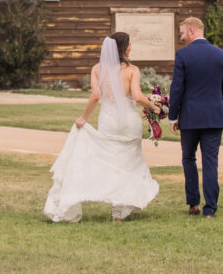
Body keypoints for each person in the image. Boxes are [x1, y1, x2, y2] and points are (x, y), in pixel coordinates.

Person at [44, 32, 162, 222]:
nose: (131, 46)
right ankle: (119, 210)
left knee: (113, 163)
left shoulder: (98, 69)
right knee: (130, 163)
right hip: (129, 122)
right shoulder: (132, 70)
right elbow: (138, 97)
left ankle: (117, 205)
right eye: (130, 44)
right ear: (125, 48)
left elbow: (96, 96)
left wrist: (83, 118)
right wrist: (156, 108)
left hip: (108, 121)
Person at [169, 16, 223, 219]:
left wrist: (172, 116)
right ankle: (210, 208)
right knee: (211, 162)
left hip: (189, 116)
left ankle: (194, 202)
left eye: (182, 32)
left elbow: (177, 88)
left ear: (192, 31)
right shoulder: (220, 54)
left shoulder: (183, 55)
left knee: (189, 158)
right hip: (213, 115)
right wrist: (215, 106)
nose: (181, 36)